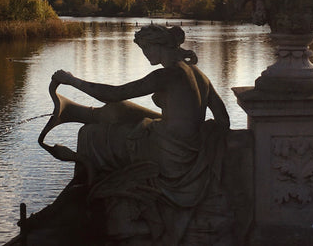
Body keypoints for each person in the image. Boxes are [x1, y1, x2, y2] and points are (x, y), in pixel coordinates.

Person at [49, 24, 234, 245]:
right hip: (187, 150)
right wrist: (199, 134)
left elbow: (114, 94)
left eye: (146, 49)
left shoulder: (167, 74)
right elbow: (223, 121)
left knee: (90, 136)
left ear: (157, 45)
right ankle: (89, 201)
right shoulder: (200, 75)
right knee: (127, 120)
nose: (145, 55)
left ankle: (86, 206)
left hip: (168, 152)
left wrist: (73, 81)